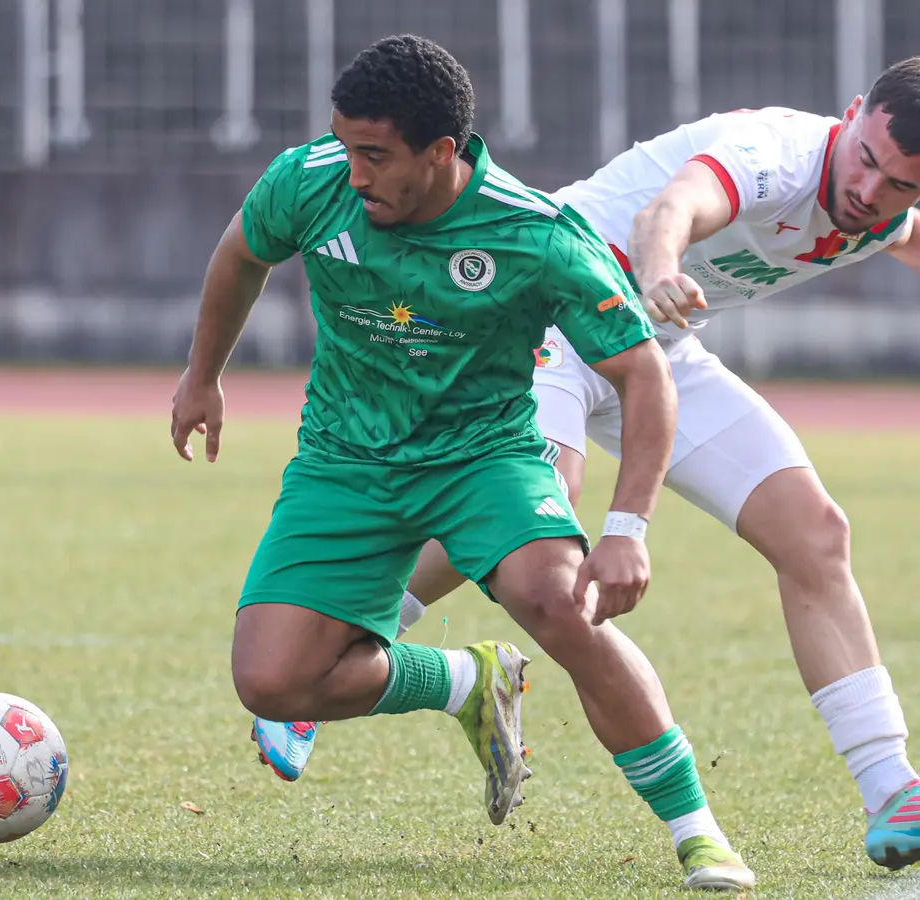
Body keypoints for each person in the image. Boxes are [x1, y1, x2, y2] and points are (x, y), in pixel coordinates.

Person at [253, 55, 920, 873]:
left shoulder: (883, 204)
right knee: (540, 512)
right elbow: (671, 207)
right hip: (547, 317)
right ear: (849, 118)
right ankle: (337, 659)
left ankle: (892, 792)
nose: (867, 191)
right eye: (864, 161)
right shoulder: (773, 156)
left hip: (656, 349)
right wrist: (661, 271)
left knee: (815, 532)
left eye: (898, 181)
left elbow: (903, 234)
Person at [174, 34, 756, 891]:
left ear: (441, 153)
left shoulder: (535, 236)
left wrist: (628, 527)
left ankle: (698, 831)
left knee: (562, 604)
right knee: (271, 682)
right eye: (344, 146)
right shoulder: (310, 182)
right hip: (346, 460)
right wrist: (202, 376)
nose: (354, 172)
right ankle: (465, 680)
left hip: (482, 458)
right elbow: (241, 252)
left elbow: (642, 373)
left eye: (374, 155)